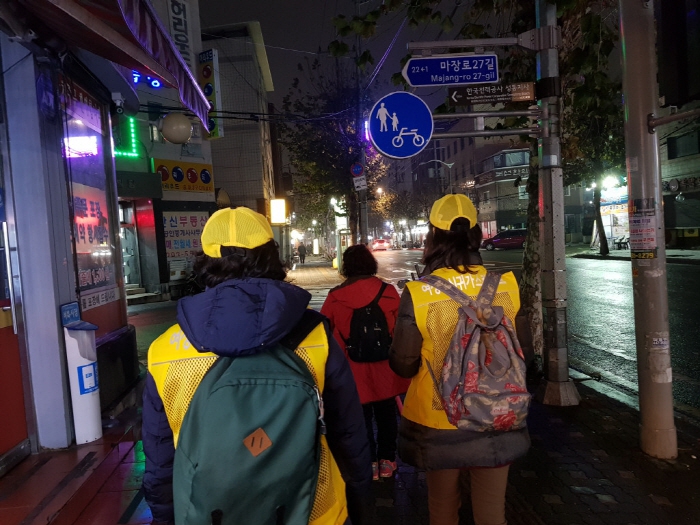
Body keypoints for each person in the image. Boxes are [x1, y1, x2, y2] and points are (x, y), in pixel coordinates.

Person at [142, 206, 372, 525]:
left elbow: (161, 458)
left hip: (209, 514)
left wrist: (167, 517)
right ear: (271, 257)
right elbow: (348, 434)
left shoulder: (165, 350)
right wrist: (360, 501)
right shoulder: (315, 336)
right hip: (315, 510)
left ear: (205, 262)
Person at [389, 194, 530, 525]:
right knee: (492, 511)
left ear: (433, 235)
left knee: (442, 508)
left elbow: (404, 365)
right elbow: (525, 354)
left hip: (438, 418)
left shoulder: (419, 292)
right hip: (498, 411)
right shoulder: (508, 285)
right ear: (476, 234)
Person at [321, 245, 410, 481]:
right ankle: (387, 461)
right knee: (387, 414)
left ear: (346, 266)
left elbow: (325, 332)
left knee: (361, 418)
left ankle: (369, 463)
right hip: (385, 367)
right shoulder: (388, 291)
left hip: (352, 368)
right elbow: (400, 329)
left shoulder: (335, 297)